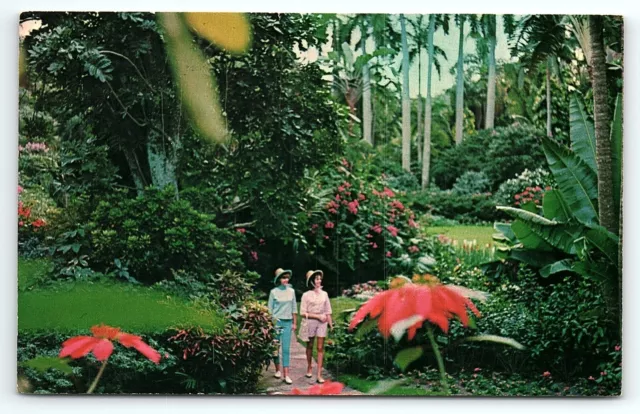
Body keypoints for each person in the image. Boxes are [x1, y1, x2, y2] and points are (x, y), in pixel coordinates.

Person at [300, 269, 332, 383]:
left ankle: (319, 374)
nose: (319, 281)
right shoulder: (306, 295)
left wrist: (331, 325)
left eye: (320, 278)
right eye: (317, 279)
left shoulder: (325, 294)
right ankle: (309, 367)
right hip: (310, 322)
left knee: (320, 348)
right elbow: (302, 312)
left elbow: (328, 311)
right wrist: (317, 316)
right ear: (312, 281)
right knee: (309, 346)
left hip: (322, 323)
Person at [268, 268, 297, 384]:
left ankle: (286, 375)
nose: (286, 279)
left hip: (288, 322)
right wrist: (270, 324)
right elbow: (269, 310)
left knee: (285, 349)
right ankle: (277, 370)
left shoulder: (292, 291)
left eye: (287, 277)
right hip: (276, 322)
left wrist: (295, 323)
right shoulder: (273, 292)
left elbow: (294, 308)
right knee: (275, 348)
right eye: (283, 277)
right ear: (279, 279)